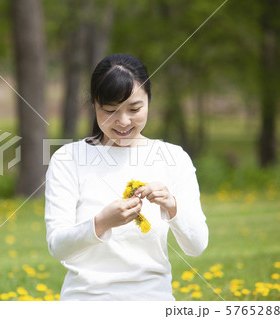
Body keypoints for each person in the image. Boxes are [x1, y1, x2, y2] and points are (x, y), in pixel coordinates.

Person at [44, 53, 208, 301]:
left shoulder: (173, 158)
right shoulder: (69, 159)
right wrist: (101, 223)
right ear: (94, 106)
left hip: (153, 300)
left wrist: (172, 206)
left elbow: (196, 246)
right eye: (110, 110)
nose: (123, 121)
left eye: (134, 109)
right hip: (87, 301)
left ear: (149, 101)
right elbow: (58, 246)